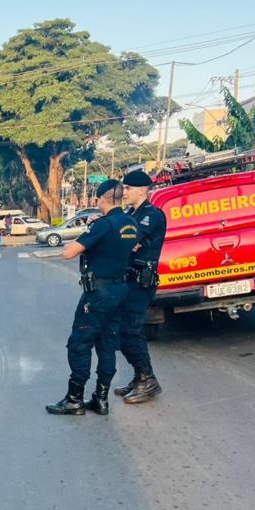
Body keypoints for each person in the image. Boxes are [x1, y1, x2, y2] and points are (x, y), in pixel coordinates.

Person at [46, 179, 137, 416]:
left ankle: (74, 398)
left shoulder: (102, 225)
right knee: (107, 344)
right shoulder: (130, 223)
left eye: (96, 199)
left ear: (101, 199)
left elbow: (68, 252)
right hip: (120, 290)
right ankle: (101, 399)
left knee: (80, 343)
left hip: (99, 293)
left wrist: (90, 231)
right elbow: (131, 248)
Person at [115, 169, 167, 403]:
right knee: (125, 331)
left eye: (128, 188)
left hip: (140, 281)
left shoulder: (152, 215)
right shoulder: (130, 213)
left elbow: (127, 240)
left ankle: (148, 380)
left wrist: (125, 242)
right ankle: (140, 376)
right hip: (127, 280)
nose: (124, 192)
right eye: (124, 187)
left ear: (142, 190)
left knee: (130, 331)